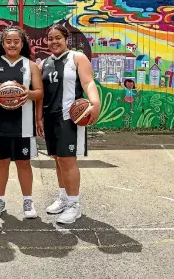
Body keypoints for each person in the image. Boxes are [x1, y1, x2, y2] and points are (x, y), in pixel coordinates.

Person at [37, 23, 101, 224]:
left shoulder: (77, 58)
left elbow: (88, 82)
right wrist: (39, 117)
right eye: (50, 38)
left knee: (68, 160)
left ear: (66, 39)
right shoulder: (43, 64)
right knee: (57, 159)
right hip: (50, 117)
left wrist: (95, 102)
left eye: (58, 37)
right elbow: (40, 95)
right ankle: (64, 197)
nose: (54, 41)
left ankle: (74, 205)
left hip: (69, 118)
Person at [0, 26, 43, 219]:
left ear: (22, 44)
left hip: (23, 124)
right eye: (8, 41)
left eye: (16, 41)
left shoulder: (30, 65)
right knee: (1, 163)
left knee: (24, 163)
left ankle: (28, 201)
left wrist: (27, 93)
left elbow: (40, 93)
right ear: (3, 43)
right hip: (0, 123)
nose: (12, 44)